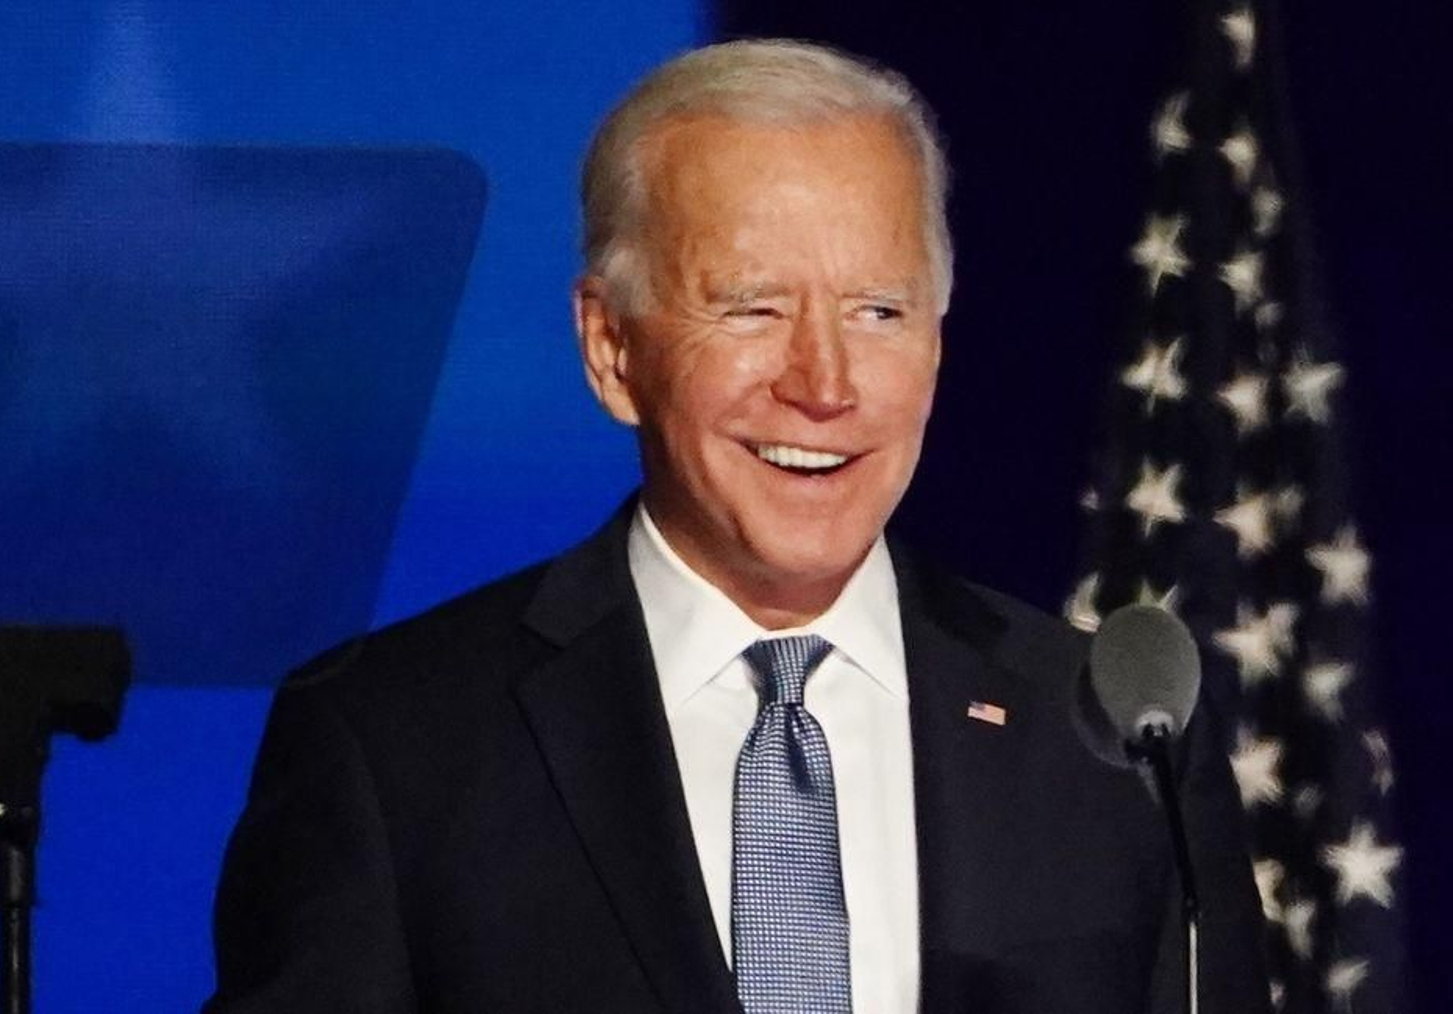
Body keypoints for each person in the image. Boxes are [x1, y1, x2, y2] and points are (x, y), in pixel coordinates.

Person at [205, 39, 1268, 1013]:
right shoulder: (396, 749)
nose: (824, 384)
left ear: (938, 345)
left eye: (878, 311)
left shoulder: (1112, 747)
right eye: (753, 308)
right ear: (612, 349)